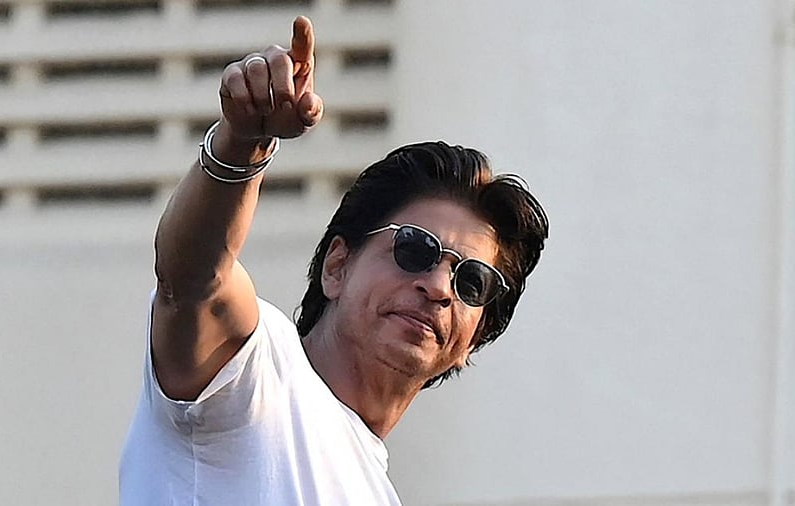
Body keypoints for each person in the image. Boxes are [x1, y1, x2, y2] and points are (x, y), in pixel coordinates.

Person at [119, 15, 548, 506]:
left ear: (475, 337)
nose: (438, 286)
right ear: (337, 266)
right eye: (414, 249)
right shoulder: (256, 374)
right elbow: (193, 281)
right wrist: (242, 144)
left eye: (471, 280)